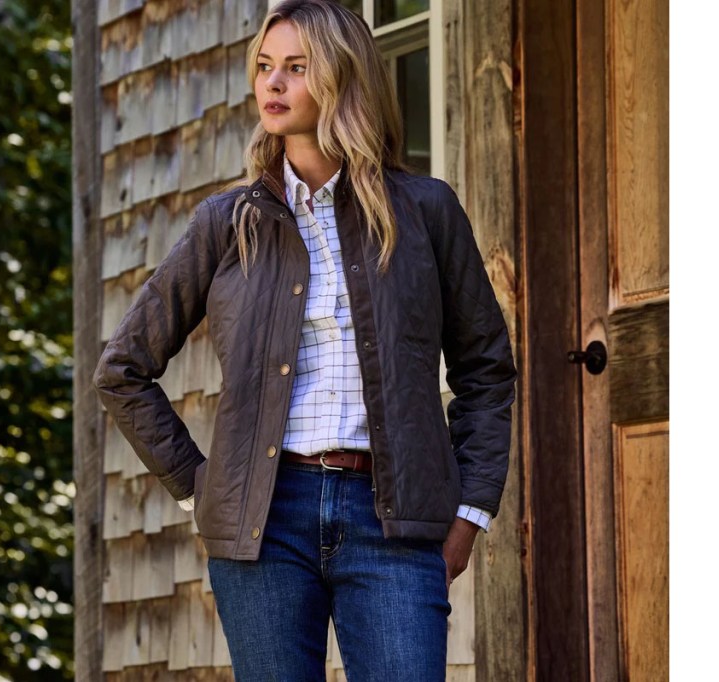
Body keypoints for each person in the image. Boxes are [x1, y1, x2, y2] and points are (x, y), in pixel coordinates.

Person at [93, 1, 516, 679]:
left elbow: (487, 369)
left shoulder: (426, 211)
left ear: (343, 78)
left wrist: (469, 513)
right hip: (264, 524)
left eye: (296, 67)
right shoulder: (227, 223)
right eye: (265, 67)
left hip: (395, 519)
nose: (273, 84)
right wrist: (198, 487)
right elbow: (122, 370)